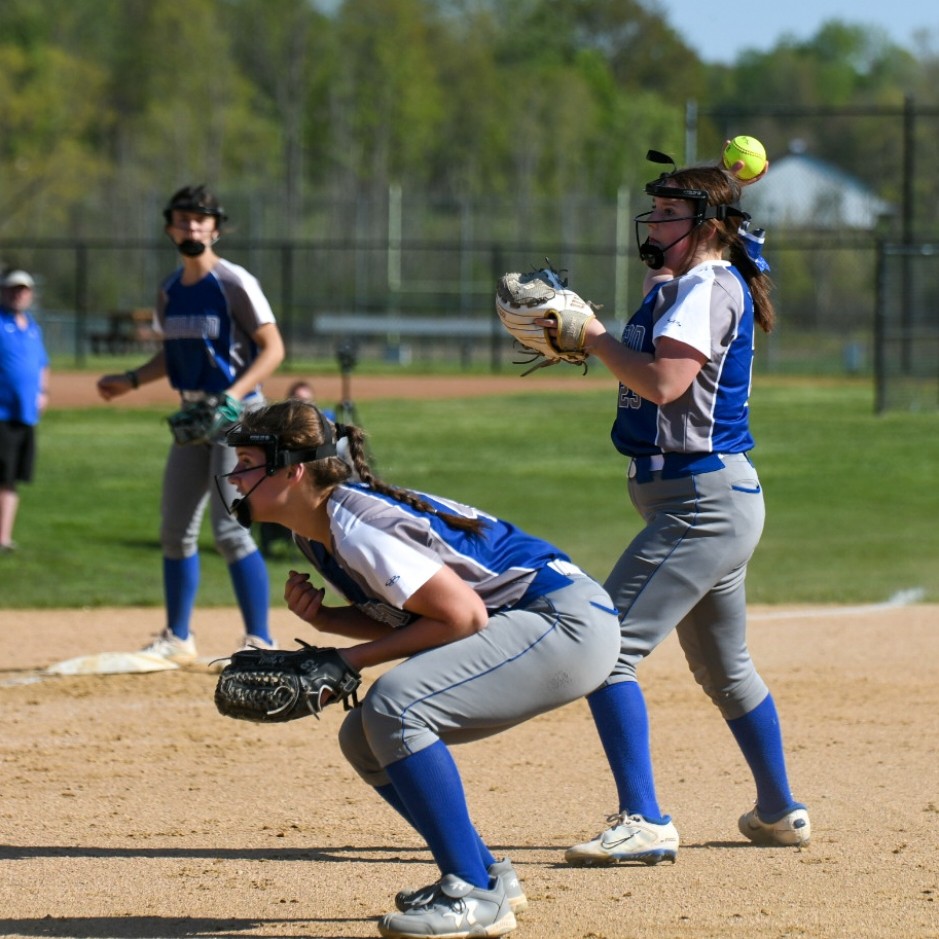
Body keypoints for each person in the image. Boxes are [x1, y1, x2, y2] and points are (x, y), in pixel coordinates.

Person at [216, 398, 621, 939]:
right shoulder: (315, 534)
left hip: (563, 621)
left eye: (247, 462)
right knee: (363, 736)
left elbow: (464, 615)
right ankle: (486, 876)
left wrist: (345, 662)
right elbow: (427, 616)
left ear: (292, 470)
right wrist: (334, 624)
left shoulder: (356, 525)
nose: (236, 477)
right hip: (532, 624)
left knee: (396, 706)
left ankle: (471, 895)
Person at [549, 157, 809, 865]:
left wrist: (595, 336)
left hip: (700, 505)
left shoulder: (704, 287)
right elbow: (662, 333)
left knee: (601, 649)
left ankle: (645, 818)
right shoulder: (689, 285)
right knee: (726, 672)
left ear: (706, 227)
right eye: (655, 211)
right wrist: (625, 315)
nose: (654, 223)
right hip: (710, 499)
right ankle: (778, 809)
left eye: (669, 214)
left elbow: (664, 382)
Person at [96, 185, 285, 662]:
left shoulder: (233, 281)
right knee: (175, 529)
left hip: (238, 417)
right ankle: (178, 638)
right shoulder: (169, 290)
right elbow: (173, 352)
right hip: (194, 417)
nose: (192, 227)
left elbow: (273, 348)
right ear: (170, 229)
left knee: (230, 530)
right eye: (183, 220)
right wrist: (131, 379)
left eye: (201, 221)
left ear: (215, 229)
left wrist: (232, 397)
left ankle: (260, 639)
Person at [0, 269, 50, 553]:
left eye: (23, 290)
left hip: (24, 414)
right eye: (12, 289)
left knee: (12, 477)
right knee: (2, 476)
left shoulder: (31, 327)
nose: (18, 294)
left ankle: (4, 538)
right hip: (2, 413)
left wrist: (43, 392)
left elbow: (43, 363)